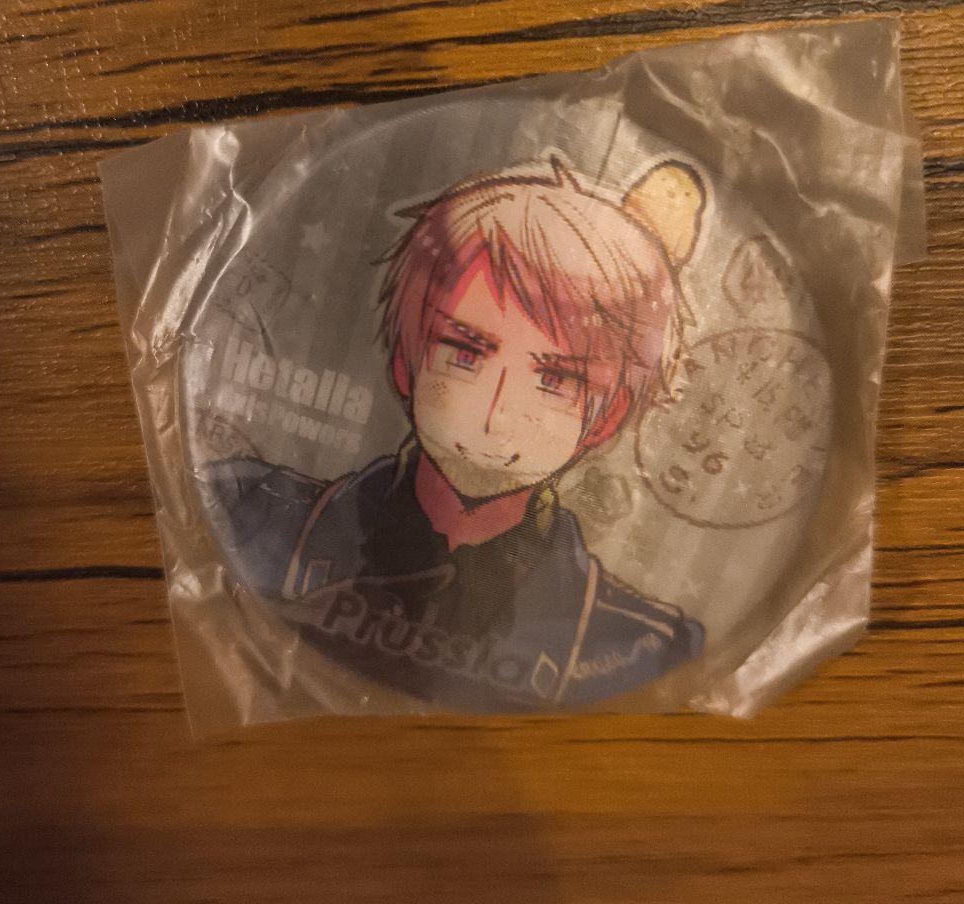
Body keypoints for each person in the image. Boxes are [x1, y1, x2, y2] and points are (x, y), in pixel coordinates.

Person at [206, 154, 706, 711]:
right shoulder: (248, 511)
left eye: (556, 380)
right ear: (406, 362)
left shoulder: (638, 645)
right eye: (465, 354)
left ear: (605, 419)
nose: (496, 415)